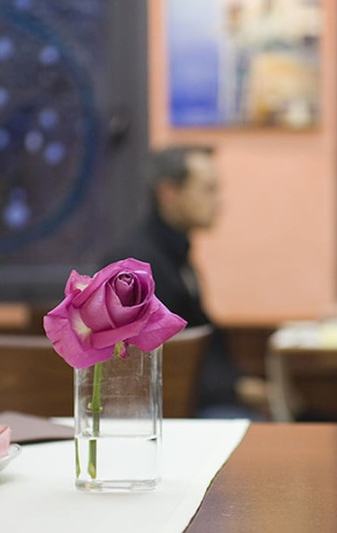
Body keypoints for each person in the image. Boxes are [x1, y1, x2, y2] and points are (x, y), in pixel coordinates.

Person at [101, 144, 268, 419]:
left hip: (197, 395)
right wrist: (236, 389)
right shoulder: (136, 264)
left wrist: (238, 383)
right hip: (166, 409)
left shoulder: (175, 252)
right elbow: (157, 359)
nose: (219, 202)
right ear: (169, 193)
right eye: (208, 190)